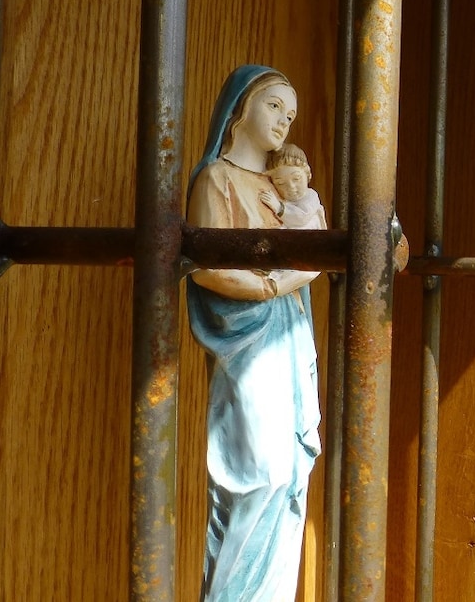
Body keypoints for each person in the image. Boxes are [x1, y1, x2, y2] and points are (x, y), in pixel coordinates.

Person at [186, 65, 321, 602]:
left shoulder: (284, 186)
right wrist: (271, 285)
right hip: (247, 341)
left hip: (289, 337)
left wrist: (290, 274)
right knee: (257, 473)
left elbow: (313, 246)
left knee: (289, 476)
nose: (285, 120)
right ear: (241, 108)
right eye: (274, 105)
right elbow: (205, 266)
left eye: (292, 114)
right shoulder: (217, 180)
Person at [259, 143, 327, 231]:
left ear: (307, 174)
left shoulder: (311, 196)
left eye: (296, 179)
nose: (291, 186)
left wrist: (279, 208)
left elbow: (301, 217)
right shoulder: (281, 199)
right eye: (281, 183)